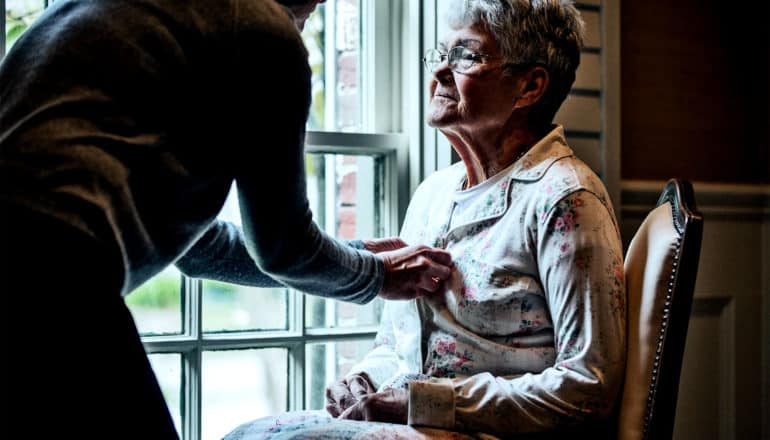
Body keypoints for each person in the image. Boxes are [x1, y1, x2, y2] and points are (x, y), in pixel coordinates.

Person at [0, 0, 452, 438]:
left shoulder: (116, 16)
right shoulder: (260, 27)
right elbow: (285, 247)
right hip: (52, 269)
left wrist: (354, 255)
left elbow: (200, 250)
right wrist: (375, 277)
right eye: (313, 7)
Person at [323, 0, 626, 436]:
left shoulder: (566, 199)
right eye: (441, 54)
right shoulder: (432, 194)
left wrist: (427, 403)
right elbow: (398, 344)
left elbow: (588, 387)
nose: (440, 72)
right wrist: (364, 382)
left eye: (466, 55)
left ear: (529, 86)